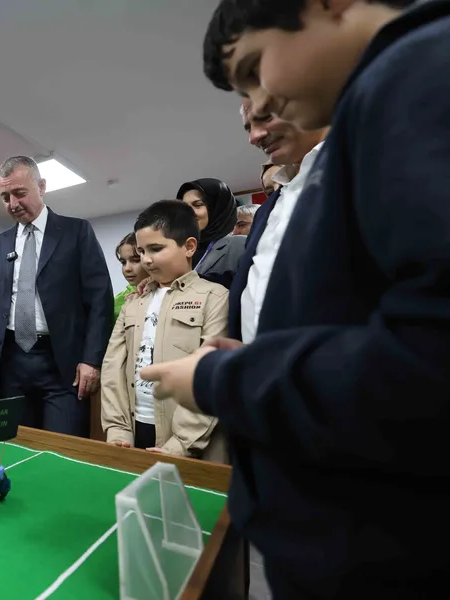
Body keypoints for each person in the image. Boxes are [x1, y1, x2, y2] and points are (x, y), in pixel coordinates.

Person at [143, 0, 447, 596]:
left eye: (255, 69)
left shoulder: (413, 76)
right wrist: (259, 352)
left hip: (379, 538)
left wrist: (224, 376)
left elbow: (427, 361)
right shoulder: (367, 116)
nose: (259, 106)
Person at [0, 156, 113, 437]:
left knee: (63, 447)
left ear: (41, 187)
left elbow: (100, 301)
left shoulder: (77, 232)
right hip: (11, 365)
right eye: (5, 197)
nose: (13, 204)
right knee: (15, 446)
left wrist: (91, 360)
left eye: (20, 193)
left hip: (63, 366)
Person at [102, 201, 228, 461]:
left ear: (189, 246)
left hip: (188, 440)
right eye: (141, 251)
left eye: (156, 249)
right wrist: (117, 429)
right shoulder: (133, 301)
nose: (146, 259)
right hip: (134, 428)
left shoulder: (214, 297)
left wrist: (180, 444)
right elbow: (113, 366)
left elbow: (211, 374)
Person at [234, 99, 329, 342]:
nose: (254, 137)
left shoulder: (361, 170)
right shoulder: (268, 209)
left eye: (265, 117)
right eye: (248, 127)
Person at [176, 178, 245, 288]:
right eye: (184, 207)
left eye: (198, 205)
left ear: (218, 208)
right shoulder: (180, 249)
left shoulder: (240, 244)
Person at [112, 232, 149, 321]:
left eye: (135, 260)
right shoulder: (117, 302)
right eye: (123, 262)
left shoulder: (167, 293)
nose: (127, 268)